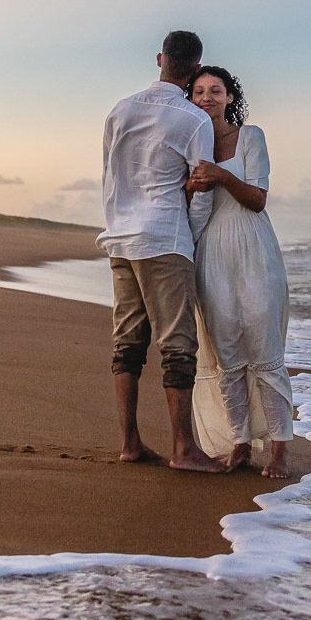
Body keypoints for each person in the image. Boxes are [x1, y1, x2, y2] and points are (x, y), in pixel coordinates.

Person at [97, 31, 225, 472]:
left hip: (121, 237)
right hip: (165, 238)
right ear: (193, 70)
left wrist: (117, 224)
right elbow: (203, 185)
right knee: (177, 345)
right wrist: (190, 238)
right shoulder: (194, 119)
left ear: (159, 60)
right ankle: (183, 449)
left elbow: (110, 176)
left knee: (128, 342)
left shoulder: (121, 109)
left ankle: (130, 443)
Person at [185, 66, 294, 478]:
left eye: (216, 90)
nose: (207, 97)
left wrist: (222, 175)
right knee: (225, 351)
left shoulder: (250, 136)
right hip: (209, 251)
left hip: (253, 248)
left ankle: (281, 449)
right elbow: (183, 200)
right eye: (198, 91)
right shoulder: (188, 145)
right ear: (190, 99)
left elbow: (258, 200)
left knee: (265, 349)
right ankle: (240, 444)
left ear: (230, 97)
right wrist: (192, 186)